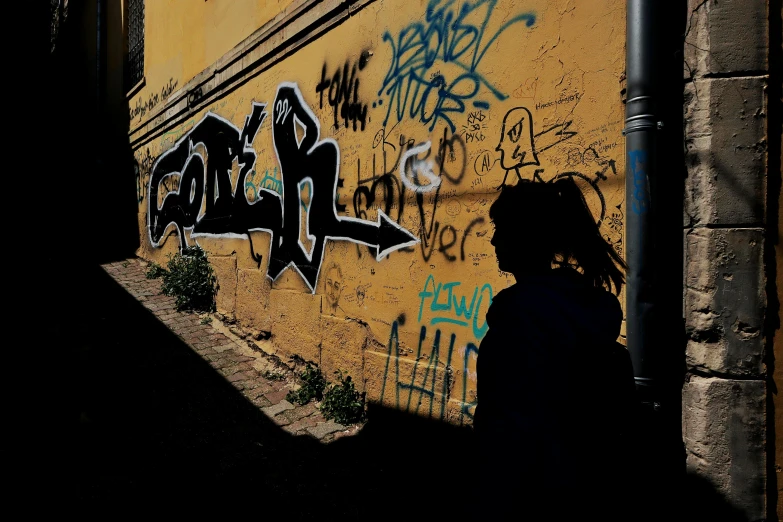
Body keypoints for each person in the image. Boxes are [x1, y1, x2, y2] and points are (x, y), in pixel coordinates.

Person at [473, 177, 632, 519]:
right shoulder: (591, 308)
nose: (494, 239)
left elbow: (503, 431)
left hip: (530, 499)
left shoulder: (518, 319)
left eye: (503, 228)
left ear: (526, 235)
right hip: (583, 494)